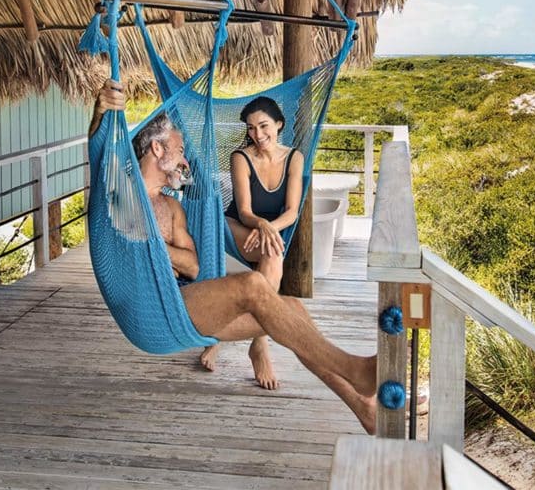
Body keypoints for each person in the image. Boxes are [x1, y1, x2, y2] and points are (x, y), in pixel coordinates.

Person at [91, 80, 376, 433]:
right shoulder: (120, 192)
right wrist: (101, 111)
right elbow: (100, 151)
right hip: (146, 311)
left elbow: (194, 266)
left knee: (294, 309)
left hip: (181, 307)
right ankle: (356, 370)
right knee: (252, 284)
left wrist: (155, 249)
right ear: (156, 149)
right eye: (179, 150)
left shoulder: (173, 209)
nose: (184, 160)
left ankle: (362, 406)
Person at [199, 97, 304, 389]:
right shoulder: (240, 158)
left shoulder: (294, 157)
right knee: (272, 253)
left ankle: (231, 336)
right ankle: (259, 344)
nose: (258, 135)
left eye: (264, 126)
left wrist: (270, 228)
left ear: (279, 124)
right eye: (251, 128)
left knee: (271, 257)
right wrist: (261, 225)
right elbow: (244, 210)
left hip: (271, 230)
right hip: (237, 227)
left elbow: (292, 211)